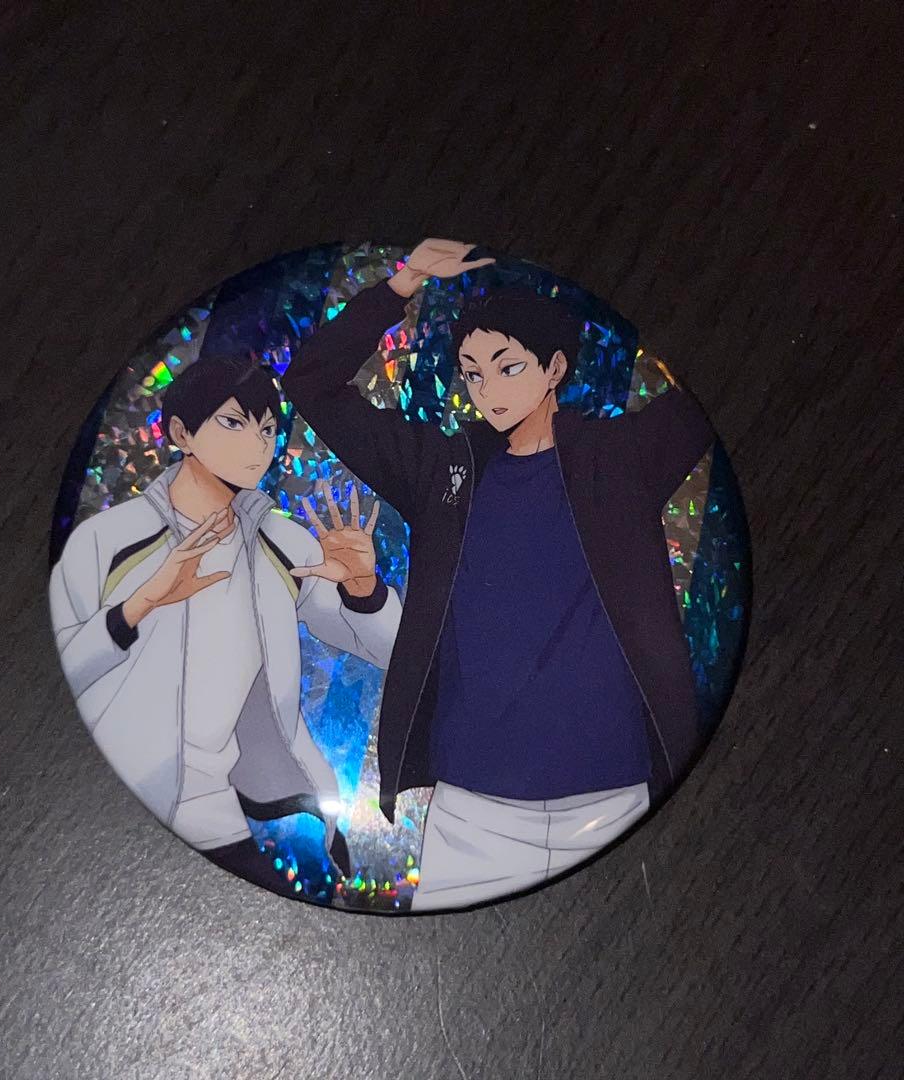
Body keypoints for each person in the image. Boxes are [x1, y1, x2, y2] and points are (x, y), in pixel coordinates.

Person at [280, 238, 715, 911]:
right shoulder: (443, 469)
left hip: (616, 795)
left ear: (555, 367)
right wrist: (402, 284)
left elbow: (701, 406)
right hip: (473, 813)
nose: (488, 390)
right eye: (472, 373)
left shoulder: (621, 456)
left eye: (509, 367)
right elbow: (310, 383)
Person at [49, 353, 401, 898]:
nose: (257, 445)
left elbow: (389, 651)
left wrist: (365, 589)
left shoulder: (283, 545)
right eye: (233, 422)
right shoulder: (107, 541)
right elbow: (60, 670)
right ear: (181, 433)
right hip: (98, 800)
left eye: (267, 430)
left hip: (222, 811)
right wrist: (138, 604)